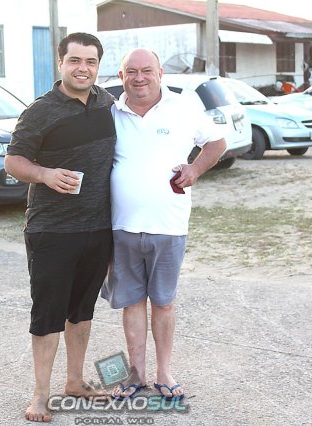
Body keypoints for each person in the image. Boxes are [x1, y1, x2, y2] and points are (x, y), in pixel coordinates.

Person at [101, 48, 226, 401]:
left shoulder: (183, 106)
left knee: (163, 303)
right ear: (121, 76)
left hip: (169, 225)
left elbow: (217, 143)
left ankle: (165, 372)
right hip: (121, 227)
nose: (139, 78)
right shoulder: (110, 112)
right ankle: (136, 374)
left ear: (160, 73)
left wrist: (195, 169)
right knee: (131, 302)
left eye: (147, 70)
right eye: (131, 71)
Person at [4, 32, 116, 423]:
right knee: (48, 313)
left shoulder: (108, 103)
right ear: (60, 63)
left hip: (98, 228)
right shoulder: (40, 111)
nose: (83, 68)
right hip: (52, 231)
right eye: (75, 61)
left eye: (90, 61)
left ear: (98, 66)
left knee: (82, 311)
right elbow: (13, 161)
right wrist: (45, 174)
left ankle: (75, 381)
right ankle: (40, 395)